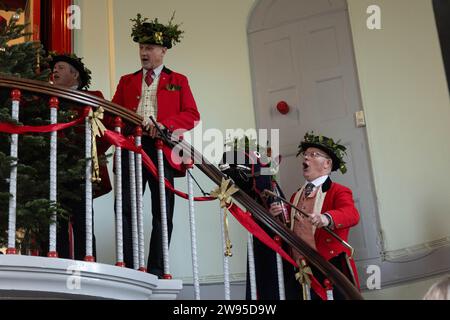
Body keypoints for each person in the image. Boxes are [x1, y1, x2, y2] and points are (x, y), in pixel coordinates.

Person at [111, 14, 200, 277]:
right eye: (141, 47)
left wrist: (166, 125)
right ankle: (127, 265)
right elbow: (112, 114)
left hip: (163, 150)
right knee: (125, 207)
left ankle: (157, 268)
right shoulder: (127, 80)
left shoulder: (179, 80)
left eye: (149, 47)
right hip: (130, 146)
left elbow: (192, 114)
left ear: (163, 50)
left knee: (162, 211)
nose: (143, 52)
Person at [270, 132, 360, 299]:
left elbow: (352, 214)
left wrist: (327, 218)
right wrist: (277, 217)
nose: (306, 158)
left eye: (313, 155)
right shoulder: (295, 196)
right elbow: (293, 229)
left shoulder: (338, 191)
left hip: (329, 268)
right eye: (305, 155)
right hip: (300, 270)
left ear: (327, 163)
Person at [48, 53, 112, 260]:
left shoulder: (92, 97)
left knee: (83, 222)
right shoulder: (46, 98)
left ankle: (86, 268)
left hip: (80, 170)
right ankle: (58, 267)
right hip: (51, 168)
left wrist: (89, 155)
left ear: (75, 75)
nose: (54, 71)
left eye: (60, 67)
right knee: (54, 224)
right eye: (54, 68)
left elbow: (107, 131)